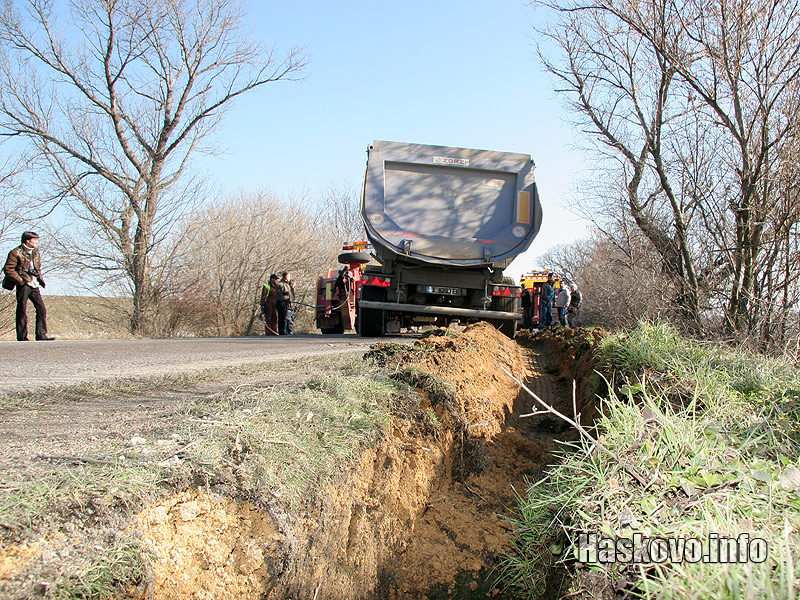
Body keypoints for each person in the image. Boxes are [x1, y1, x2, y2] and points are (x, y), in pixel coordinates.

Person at [3, 231, 54, 341]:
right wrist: (21, 281)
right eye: (35, 240)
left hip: (34, 284)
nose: (37, 242)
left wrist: (38, 277)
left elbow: (37, 267)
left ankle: (41, 335)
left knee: (41, 309)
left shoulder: (35, 251)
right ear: (27, 241)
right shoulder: (15, 252)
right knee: (22, 310)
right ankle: (22, 337)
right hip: (23, 284)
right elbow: (8, 269)